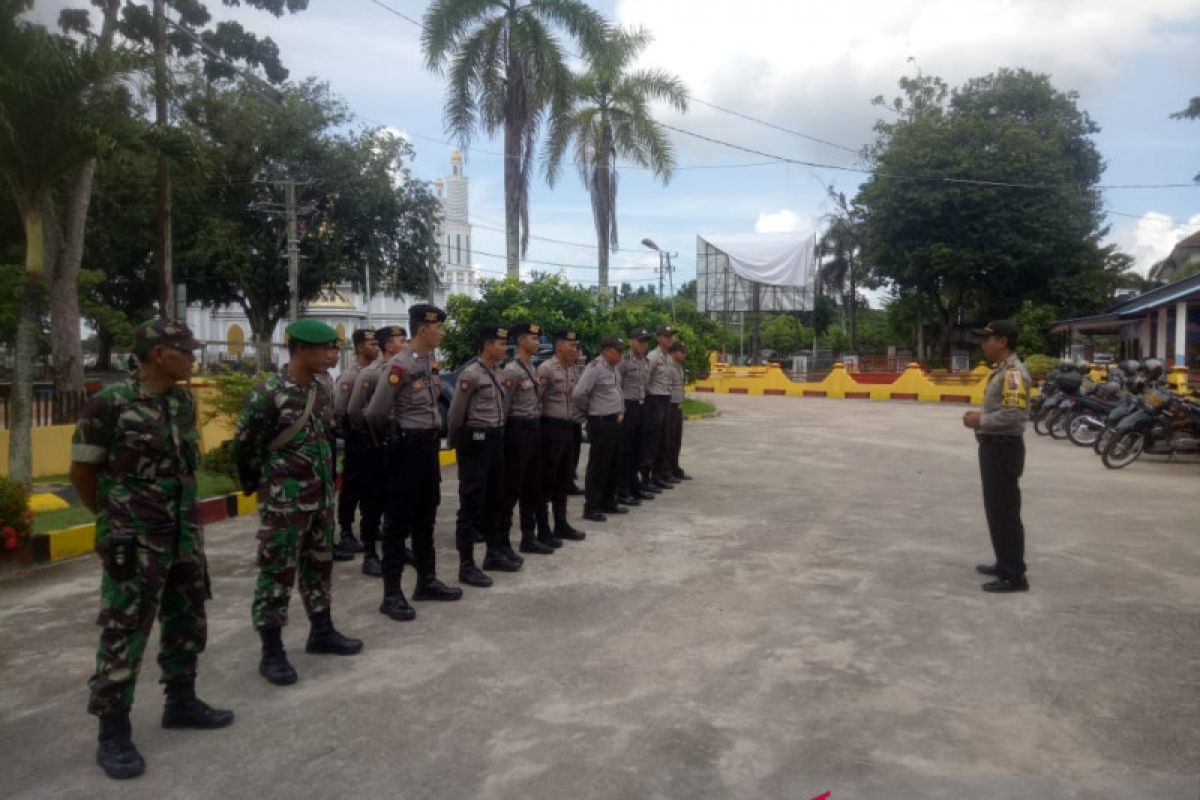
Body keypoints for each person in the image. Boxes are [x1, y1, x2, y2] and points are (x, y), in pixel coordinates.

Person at [71, 318, 234, 781]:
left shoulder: (181, 400)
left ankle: (181, 702)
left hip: (183, 530)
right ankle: (113, 731)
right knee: (125, 627)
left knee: (187, 615)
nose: (194, 357)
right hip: (134, 536)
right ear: (160, 354)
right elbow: (82, 472)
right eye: (186, 350)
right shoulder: (109, 404)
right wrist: (112, 518)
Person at [234, 319, 364, 687]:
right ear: (301, 349)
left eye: (335, 349)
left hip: (320, 500)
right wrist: (261, 488)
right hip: (284, 505)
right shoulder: (269, 393)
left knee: (319, 568)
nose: (332, 355)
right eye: (326, 349)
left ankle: (321, 631)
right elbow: (246, 446)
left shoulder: (319, 392)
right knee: (277, 575)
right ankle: (271, 651)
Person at [365, 305, 463, 621]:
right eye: (439, 328)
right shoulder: (400, 365)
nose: (442, 332)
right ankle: (391, 593)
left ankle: (427, 580)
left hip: (427, 447)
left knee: (426, 515)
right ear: (424, 329)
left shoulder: (430, 361)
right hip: (405, 447)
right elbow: (376, 412)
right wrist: (392, 441)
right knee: (397, 522)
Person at [447, 324, 522, 587]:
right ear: (488, 345)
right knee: (471, 504)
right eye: (500, 344)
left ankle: (493, 554)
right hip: (476, 443)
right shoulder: (471, 374)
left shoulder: (498, 373)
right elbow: (456, 414)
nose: (504, 348)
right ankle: (466, 565)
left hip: (496, 441)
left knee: (495, 500)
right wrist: (457, 445)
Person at [962, 320, 1032, 593]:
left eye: (987, 339)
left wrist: (981, 420)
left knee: (1004, 511)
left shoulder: (1013, 373)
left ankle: (1015, 575)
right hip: (995, 446)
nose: (983, 344)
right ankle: (1005, 562)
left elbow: (1015, 415)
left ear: (1002, 342)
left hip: (1003, 447)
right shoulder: (1003, 370)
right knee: (997, 508)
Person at [347, 325, 407, 577]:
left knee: (397, 501)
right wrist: (374, 436)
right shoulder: (371, 374)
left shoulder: (405, 369)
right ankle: (370, 553)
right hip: (375, 444)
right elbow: (353, 410)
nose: (405, 344)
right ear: (388, 345)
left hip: (399, 442)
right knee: (373, 502)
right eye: (401, 340)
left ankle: (397, 549)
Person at [501, 322, 555, 555]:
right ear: (521, 341)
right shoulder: (512, 370)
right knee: (512, 488)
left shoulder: (532, 367)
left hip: (533, 429)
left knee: (532, 487)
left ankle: (528, 537)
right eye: (533, 339)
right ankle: (502, 543)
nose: (537, 343)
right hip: (517, 431)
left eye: (538, 339)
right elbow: (503, 407)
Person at [537, 330, 588, 543]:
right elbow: (537, 400)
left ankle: (561, 524)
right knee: (546, 480)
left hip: (569, 428)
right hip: (550, 429)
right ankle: (543, 529)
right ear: (559, 347)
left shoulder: (573, 369)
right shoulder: (547, 368)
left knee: (564, 479)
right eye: (571, 344)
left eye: (576, 345)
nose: (575, 348)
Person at [333, 328, 378, 560]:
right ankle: (346, 531)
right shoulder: (350, 376)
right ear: (359, 347)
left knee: (372, 485)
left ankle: (369, 527)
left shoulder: (375, 372)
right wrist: (355, 429)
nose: (376, 347)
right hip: (357, 436)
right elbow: (340, 409)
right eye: (371, 343)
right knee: (352, 486)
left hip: (372, 437)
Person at [573, 335, 628, 523]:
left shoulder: (614, 369)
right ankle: (592, 506)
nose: (621, 355)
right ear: (606, 350)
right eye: (617, 351)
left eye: (622, 351)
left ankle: (608, 501)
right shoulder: (595, 368)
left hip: (614, 420)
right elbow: (579, 393)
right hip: (600, 421)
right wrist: (590, 411)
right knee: (598, 465)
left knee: (613, 463)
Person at [616, 327, 654, 507]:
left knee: (639, 450)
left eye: (646, 341)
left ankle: (634, 487)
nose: (643, 345)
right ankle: (622, 490)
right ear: (631, 342)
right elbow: (617, 386)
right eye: (640, 341)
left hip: (641, 406)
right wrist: (621, 410)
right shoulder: (623, 361)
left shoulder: (646, 362)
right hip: (627, 407)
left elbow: (645, 386)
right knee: (626, 451)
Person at [642, 325, 676, 491]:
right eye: (667, 336)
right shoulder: (653, 357)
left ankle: (658, 474)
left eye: (671, 336)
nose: (670, 339)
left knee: (663, 439)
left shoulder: (668, 357)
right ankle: (647, 478)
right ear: (659, 338)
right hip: (654, 400)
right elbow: (645, 380)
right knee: (652, 440)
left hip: (665, 399)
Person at [665, 341, 693, 481]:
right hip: (670, 406)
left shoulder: (679, 367)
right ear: (674, 352)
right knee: (668, 441)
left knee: (676, 440)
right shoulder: (669, 367)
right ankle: (667, 469)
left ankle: (675, 467)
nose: (684, 354)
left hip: (678, 407)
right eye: (682, 351)